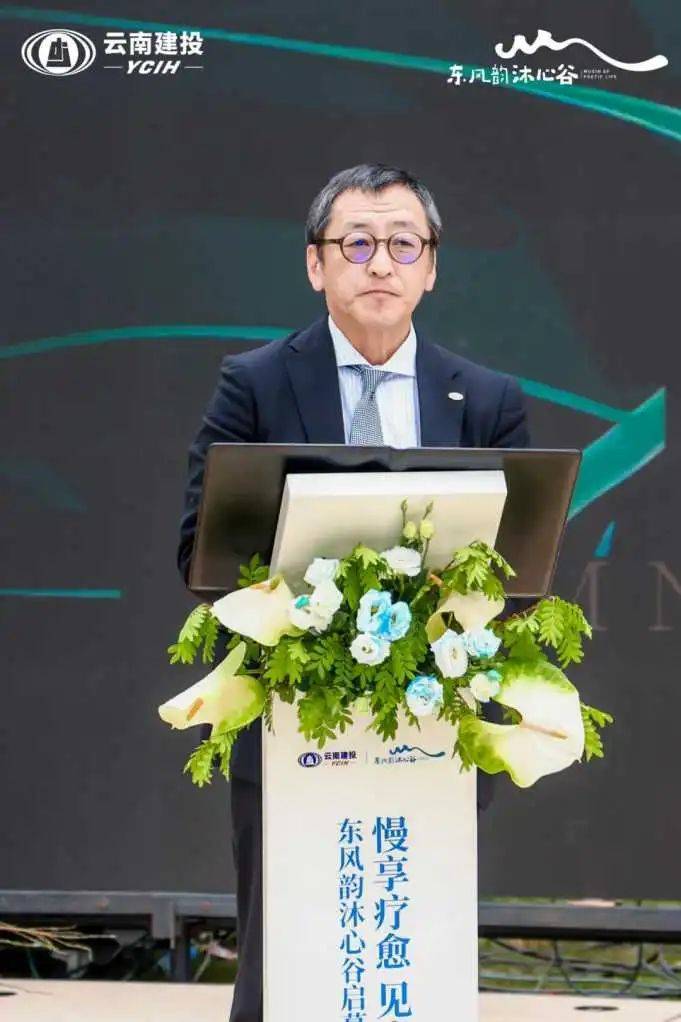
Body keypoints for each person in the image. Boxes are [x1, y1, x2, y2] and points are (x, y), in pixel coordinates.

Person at [177, 163, 530, 1022]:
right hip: (289, 718)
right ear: (315, 263)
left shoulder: (486, 399)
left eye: (403, 244)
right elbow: (202, 552)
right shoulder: (256, 384)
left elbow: (517, 572)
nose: (380, 263)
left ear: (431, 267)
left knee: (411, 944)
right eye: (357, 243)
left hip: (433, 723)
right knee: (287, 955)